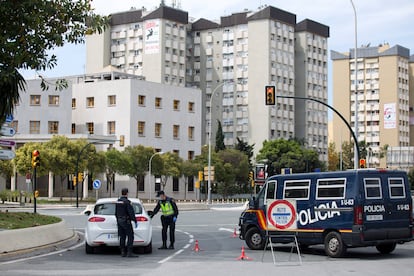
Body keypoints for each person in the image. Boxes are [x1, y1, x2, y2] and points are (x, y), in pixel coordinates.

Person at [115, 188, 138, 257]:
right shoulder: (127, 202)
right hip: (126, 221)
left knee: (122, 237)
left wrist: (118, 220)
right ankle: (129, 252)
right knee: (130, 236)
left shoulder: (118, 201)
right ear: (127, 193)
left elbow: (116, 212)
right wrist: (135, 220)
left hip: (119, 221)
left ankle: (122, 252)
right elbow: (131, 212)